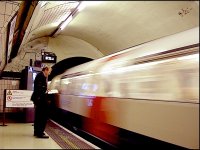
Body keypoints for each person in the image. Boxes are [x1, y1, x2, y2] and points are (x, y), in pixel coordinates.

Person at [31, 66, 52, 138]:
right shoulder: (40, 76)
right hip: (40, 99)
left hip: (38, 98)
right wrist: (45, 91)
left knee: (38, 116)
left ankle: (37, 132)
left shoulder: (41, 76)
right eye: (49, 71)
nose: (49, 73)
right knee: (42, 116)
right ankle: (40, 132)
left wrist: (45, 90)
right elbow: (39, 89)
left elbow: (40, 88)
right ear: (46, 70)